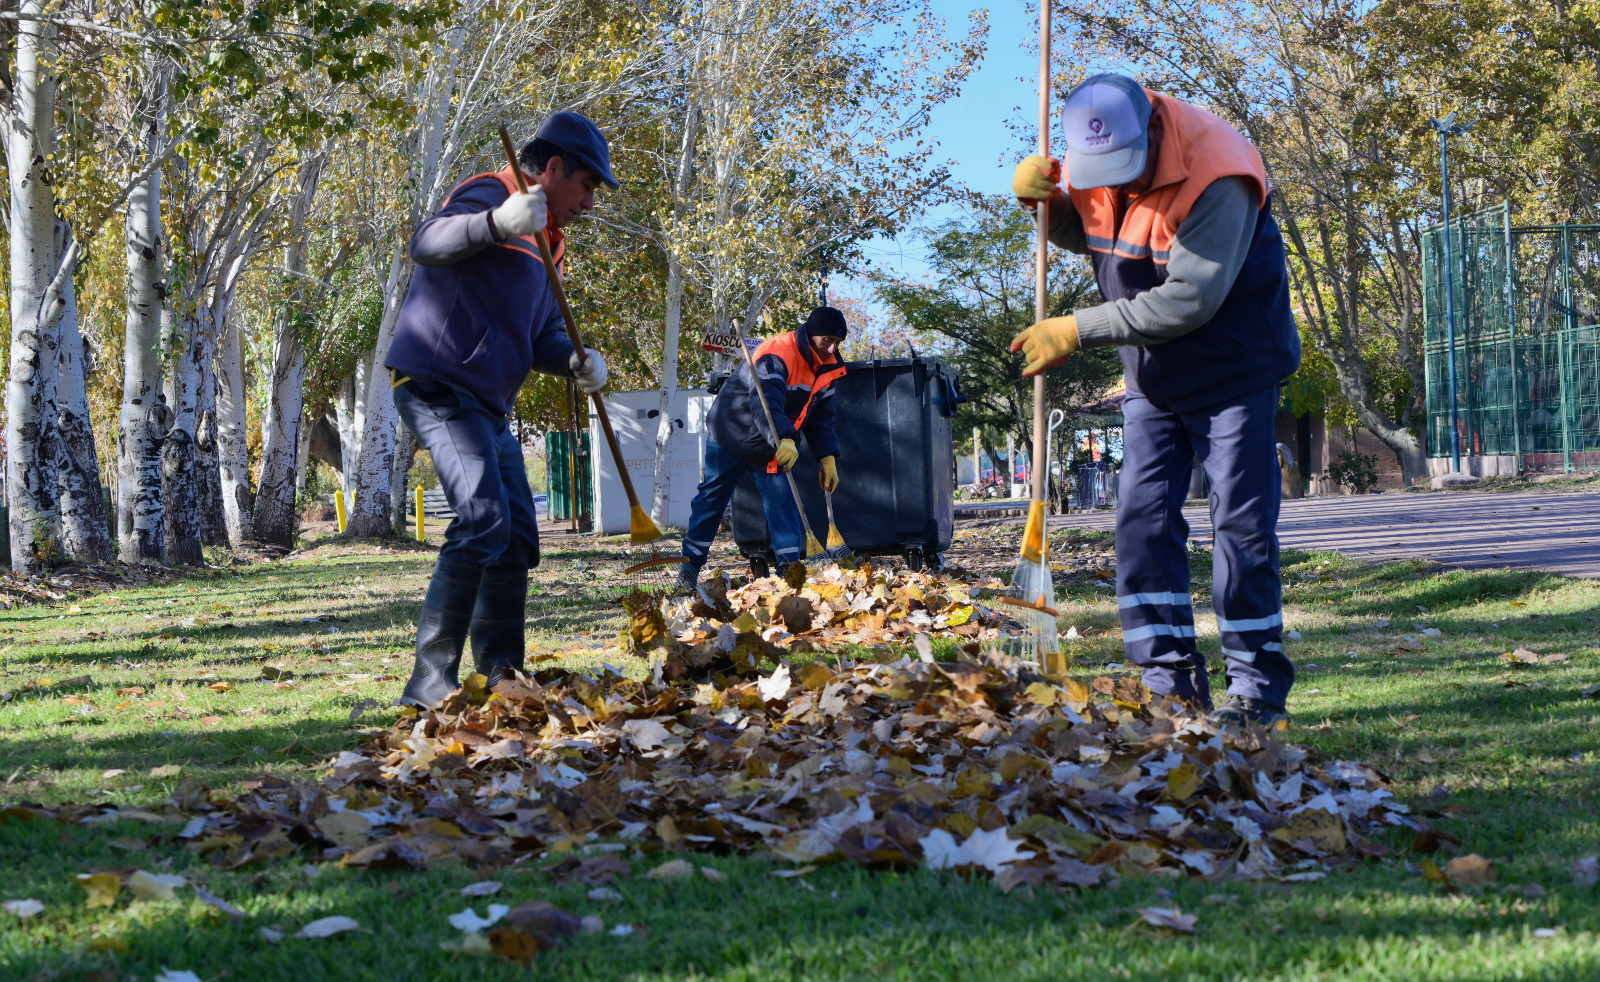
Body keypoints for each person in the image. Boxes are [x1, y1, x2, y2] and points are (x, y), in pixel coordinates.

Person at [1010, 74, 1301, 727]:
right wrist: (1047, 207)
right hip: (1153, 375)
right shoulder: (1093, 161)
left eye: (1122, 169)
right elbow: (1098, 233)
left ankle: (1256, 690)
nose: (1109, 184)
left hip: (1234, 363)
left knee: (1241, 527)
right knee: (1140, 523)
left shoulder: (1216, 171)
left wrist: (1075, 329)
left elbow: (1189, 300)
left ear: (1152, 130)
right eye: (1096, 174)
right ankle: (1169, 680)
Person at [385, 111, 617, 708]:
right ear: (556, 168)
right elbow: (426, 243)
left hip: (487, 404)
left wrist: (575, 359)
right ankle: (428, 685)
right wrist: (495, 223)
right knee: (482, 517)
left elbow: (541, 335)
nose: (590, 203)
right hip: (436, 382)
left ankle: (502, 677)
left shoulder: (552, 246)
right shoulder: (493, 191)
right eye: (588, 186)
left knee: (514, 535)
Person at [675, 307, 850, 593]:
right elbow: (764, 401)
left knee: (783, 503)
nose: (831, 347)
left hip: (771, 444)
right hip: (731, 434)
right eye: (827, 339)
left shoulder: (829, 365)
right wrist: (785, 438)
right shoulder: (777, 352)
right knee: (711, 502)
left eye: (837, 342)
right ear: (811, 333)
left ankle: (789, 578)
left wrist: (827, 457)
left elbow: (822, 418)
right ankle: (688, 573)